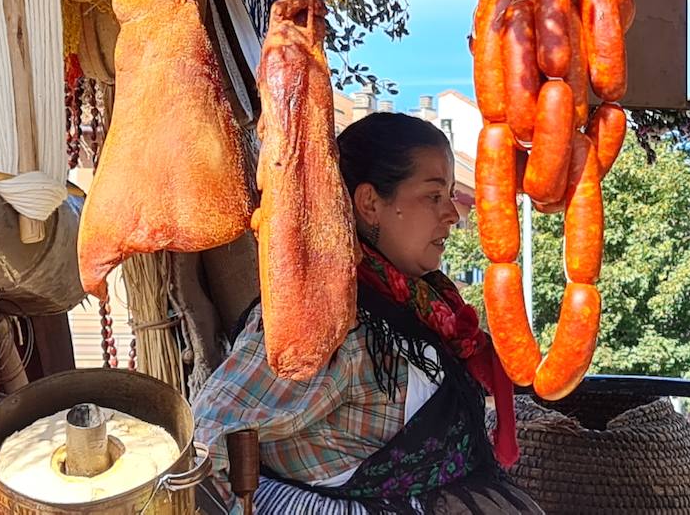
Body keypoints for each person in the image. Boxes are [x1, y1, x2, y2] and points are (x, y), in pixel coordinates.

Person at [192, 112, 541, 514]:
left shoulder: (424, 306)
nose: (452, 214)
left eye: (448, 195)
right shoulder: (322, 321)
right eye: (433, 196)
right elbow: (204, 441)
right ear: (370, 203)